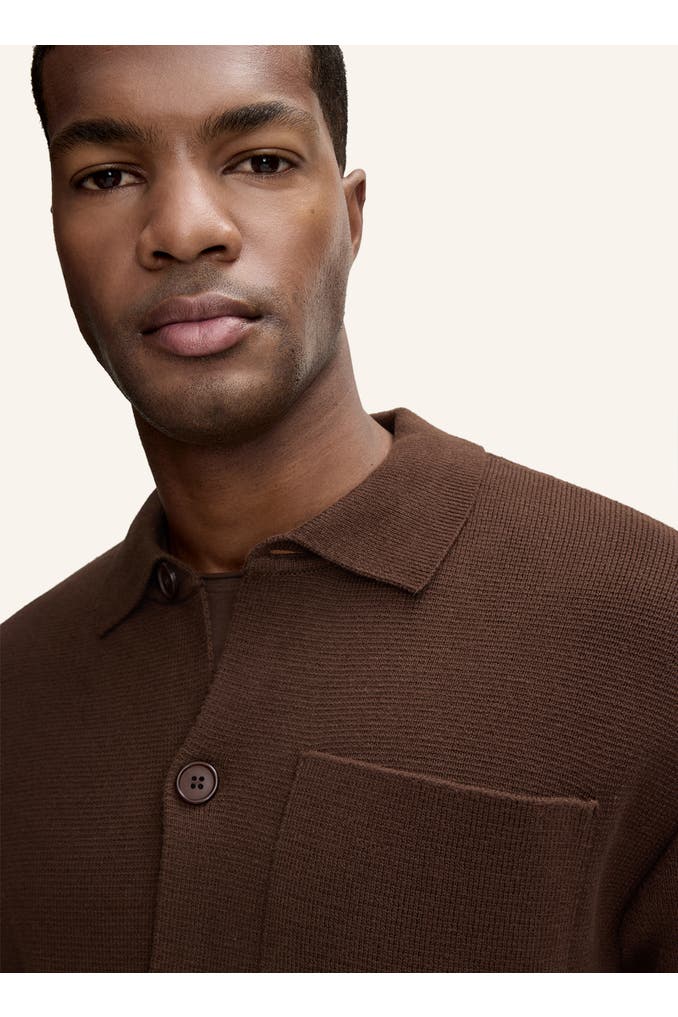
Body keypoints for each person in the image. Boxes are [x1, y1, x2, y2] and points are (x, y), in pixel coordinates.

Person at [1, 44, 676, 974]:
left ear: (352, 215)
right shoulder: (16, 690)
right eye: (107, 176)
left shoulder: (652, 627)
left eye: (260, 161)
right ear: (55, 233)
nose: (185, 230)